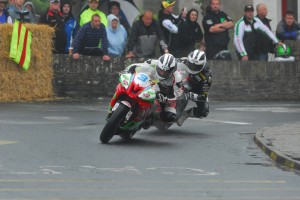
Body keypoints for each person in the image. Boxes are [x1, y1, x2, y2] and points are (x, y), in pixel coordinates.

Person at [176, 49, 212, 126]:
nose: (193, 67)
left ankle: (186, 114)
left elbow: (203, 96)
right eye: (191, 64)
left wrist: (194, 96)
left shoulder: (206, 76)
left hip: (196, 88)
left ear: (202, 65)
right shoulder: (183, 61)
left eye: (196, 66)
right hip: (181, 81)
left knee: (204, 112)